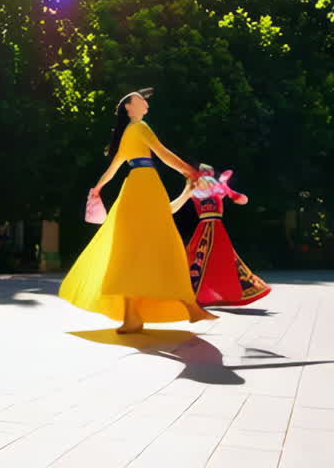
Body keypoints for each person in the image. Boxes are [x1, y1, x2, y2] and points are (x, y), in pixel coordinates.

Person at [60, 88, 218, 333]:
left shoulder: (128, 134)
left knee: (130, 251)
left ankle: (137, 315)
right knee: (161, 245)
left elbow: (111, 170)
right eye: (141, 101)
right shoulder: (140, 128)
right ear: (128, 107)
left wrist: (97, 189)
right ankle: (186, 307)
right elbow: (164, 155)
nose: (147, 105)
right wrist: (192, 172)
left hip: (135, 189)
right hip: (144, 185)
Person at [171, 165, 271, 307]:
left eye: (208, 173)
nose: (206, 176)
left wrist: (228, 190)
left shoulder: (219, 191)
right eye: (203, 173)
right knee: (197, 258)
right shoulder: (195, 192)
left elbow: (243, 200)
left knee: (222, 259)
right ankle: (191, 293)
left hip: (216, 228)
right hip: (205, 228)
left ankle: (216, 292)